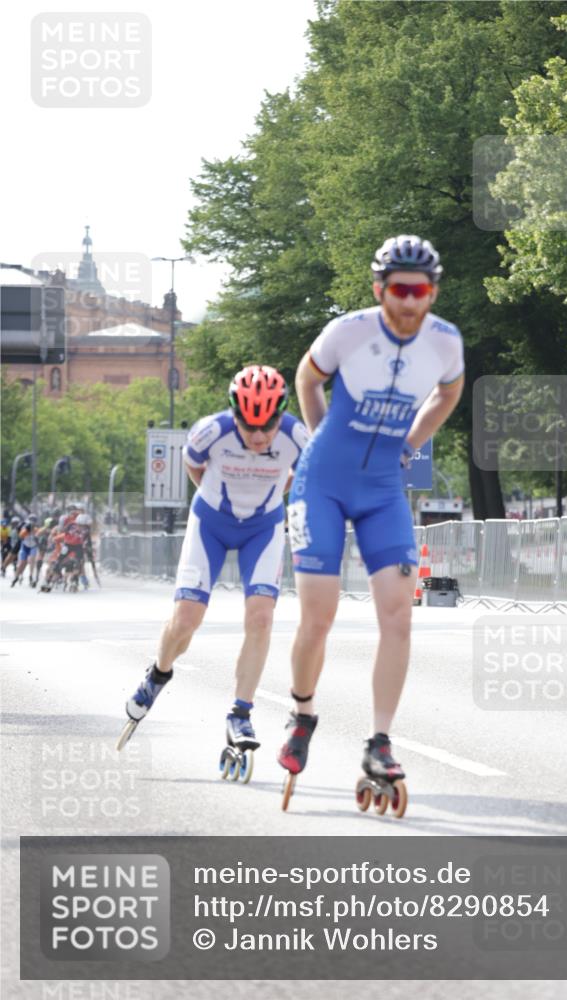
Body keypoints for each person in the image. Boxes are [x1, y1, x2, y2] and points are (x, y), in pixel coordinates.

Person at [279, 235, 465, 807]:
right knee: (320, 616)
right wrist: (315, 443)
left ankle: (380, 741)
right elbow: (307, 378)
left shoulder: (445, 341)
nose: (411, 302)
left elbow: (450, 393)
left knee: (398, 617)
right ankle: (303, 711)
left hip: (384, 486)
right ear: (379, 288)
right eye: (401, 290)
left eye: (423, 291)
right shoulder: (349, 331)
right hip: (324, 484)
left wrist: (411, 444)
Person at [119, 365, 309, 769]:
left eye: (268, 425)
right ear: (233, 414)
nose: (258, 436)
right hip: (212, 523)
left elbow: (304, 476)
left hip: (264, 526)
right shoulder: (210, 431)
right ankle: (158, 673)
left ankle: (240, 713)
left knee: (261, 618)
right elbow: (194, 465)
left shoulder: (297, 437)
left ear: (282, 415)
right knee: (187, 619)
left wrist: (273, 491)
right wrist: (215, 495)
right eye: (248, 425)